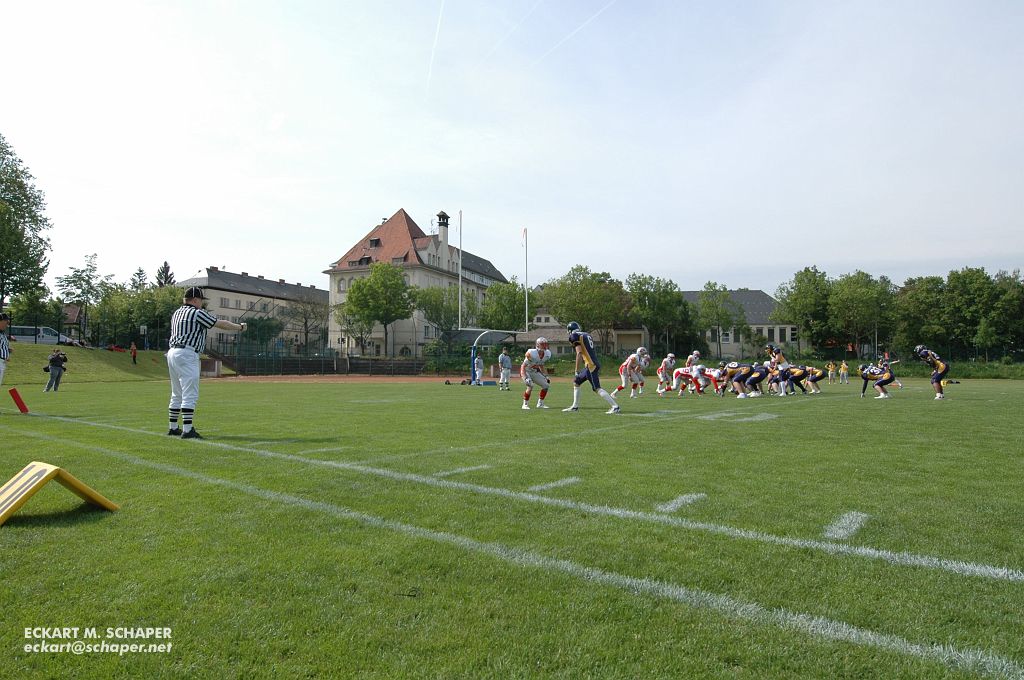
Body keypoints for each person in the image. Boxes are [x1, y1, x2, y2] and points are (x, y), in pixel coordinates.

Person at [167, 287, 246, 439]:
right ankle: (188, 429)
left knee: (176, 393)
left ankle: (173, 427)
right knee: (190, 393)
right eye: (201, 300)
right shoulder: (197, 313)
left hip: (172, 353)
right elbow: (220, 324)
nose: (202, 303)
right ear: (195, 300)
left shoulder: (177, 313)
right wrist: (240, 327)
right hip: (187, 353)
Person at [562, 321, 619, 414]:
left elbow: (579, 352)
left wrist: (576, 370)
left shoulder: (574, 336)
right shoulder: (586, 334)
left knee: (596, 388)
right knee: (576, 382)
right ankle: (575, 406)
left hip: (591, 365)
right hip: (591, 363)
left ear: (569, 330)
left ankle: (615, 406)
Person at [520, 337, 552, 409]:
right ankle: (525, 404)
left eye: (545, 344)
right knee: (530, 385)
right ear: (537, 345)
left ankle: (540, 404)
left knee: (546, 386)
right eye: (542, 344)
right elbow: (523, 366)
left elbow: (541, 365)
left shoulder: (547, 354)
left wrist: (546, 376)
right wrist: (525, 377)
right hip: (526, 370)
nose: (545, 346)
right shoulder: (532, 353)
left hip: (534, 371)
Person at [0, 312, 10, 389]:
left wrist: (7, 351)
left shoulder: (2, 333)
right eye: (6, 321)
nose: (8, 324)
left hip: (2, 362)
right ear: (1, 321)